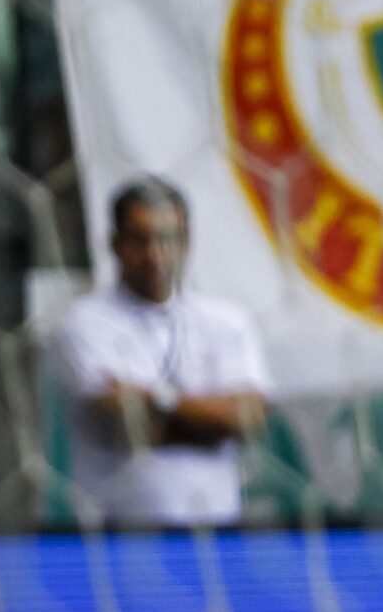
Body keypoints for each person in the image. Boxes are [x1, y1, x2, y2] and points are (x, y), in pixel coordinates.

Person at [53, 177, 268, 527]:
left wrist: (159, 400)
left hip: (216, 534)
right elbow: (122, 424)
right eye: (140, 240)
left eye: (167, 239)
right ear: (114, 244)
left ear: (187, 243)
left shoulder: (227, 321)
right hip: (118, 535)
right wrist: (210, 428)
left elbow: (246, 417)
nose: (154, 255)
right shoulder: (84, 322)